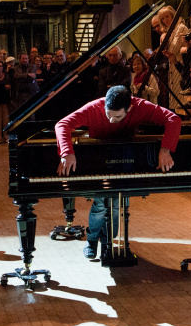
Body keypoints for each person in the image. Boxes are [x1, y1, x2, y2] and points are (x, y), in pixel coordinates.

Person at [56, 85, 181, 259]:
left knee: (116, 203)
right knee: (101, 204)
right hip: (99, 159)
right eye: (108, 115)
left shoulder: (140, 106)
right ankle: (92, 240)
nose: (111, 121)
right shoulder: (94, 107)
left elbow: (173, 119)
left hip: (126, 158)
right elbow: (62, 124)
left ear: (129, 108)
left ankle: (107, 240)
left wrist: (165, 149)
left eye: (118, 117)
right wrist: (67, 152)